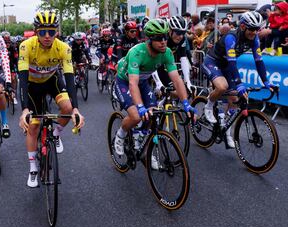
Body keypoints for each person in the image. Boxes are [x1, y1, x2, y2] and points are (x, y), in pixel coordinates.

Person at [113, 19, 196, 169]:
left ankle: (142, 143)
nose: (163, 41)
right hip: (124, 82)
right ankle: (120, 135)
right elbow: (132, 83)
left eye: (165, 36)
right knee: (136, 115)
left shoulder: (167, 53)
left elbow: (177, 79)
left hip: (143, 82)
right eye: (158, 38)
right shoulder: (137, 52)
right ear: (149, 39)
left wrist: (186, 104)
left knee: (154, 113)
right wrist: (140, 106)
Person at [17, 10, 85, 188]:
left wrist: (76, 109)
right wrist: (24, 109)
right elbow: (22, 79)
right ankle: (33, 168)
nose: (47, 36)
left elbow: (70, 79)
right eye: (42, 32)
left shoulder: (64, 48)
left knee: (68, 108)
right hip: (32, 85)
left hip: (52, 80)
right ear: (35, 31)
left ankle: (55, 134)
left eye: (51, 32)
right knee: (34, 125)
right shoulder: (26, 46)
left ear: (57, 32)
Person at [202, 11, 275, 148]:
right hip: (213, 62)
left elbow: (259, 61)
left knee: (235, 100)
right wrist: (239, 84)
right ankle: (209, 105)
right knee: (222, 87)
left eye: (257, 29)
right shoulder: (231, 37)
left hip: (226, 66)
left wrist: (266, 81)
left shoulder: (255, 40)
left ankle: (227, 131)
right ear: (242, 26)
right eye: (252, 29)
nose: (255, 32)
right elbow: (232, 63)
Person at [167, 16, 194, 92]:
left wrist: (188, 81)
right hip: (156, 62)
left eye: (183, 33)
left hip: (168, 61)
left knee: (178, 90)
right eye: (178, 33)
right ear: (170, 30)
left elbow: (183, 58)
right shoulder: (163, 37)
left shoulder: (182, 38)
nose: (180, 36)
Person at [1, 31, 19, 104]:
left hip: (10, 66)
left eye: (9, 42)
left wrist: (17, 68)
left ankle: (13, 95)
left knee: (14, 79)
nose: (7, 44)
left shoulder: (13, 48)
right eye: (5, 42)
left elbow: (16, 59)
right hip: (1, 67)